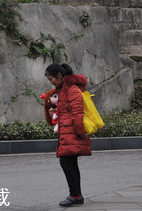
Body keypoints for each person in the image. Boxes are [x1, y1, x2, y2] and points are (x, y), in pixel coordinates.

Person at [43, 63, 92, 207]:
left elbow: (77, 113)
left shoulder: (72, 90)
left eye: (51, 78)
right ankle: (77, 195)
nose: (51, 82)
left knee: (66, 162)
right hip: (67, 131)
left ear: (59, 75)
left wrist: (80, 132)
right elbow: (65, 110)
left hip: (72, 132)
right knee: (70, 162)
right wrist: (54, 112)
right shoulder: (63, 90)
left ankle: (75, 195)